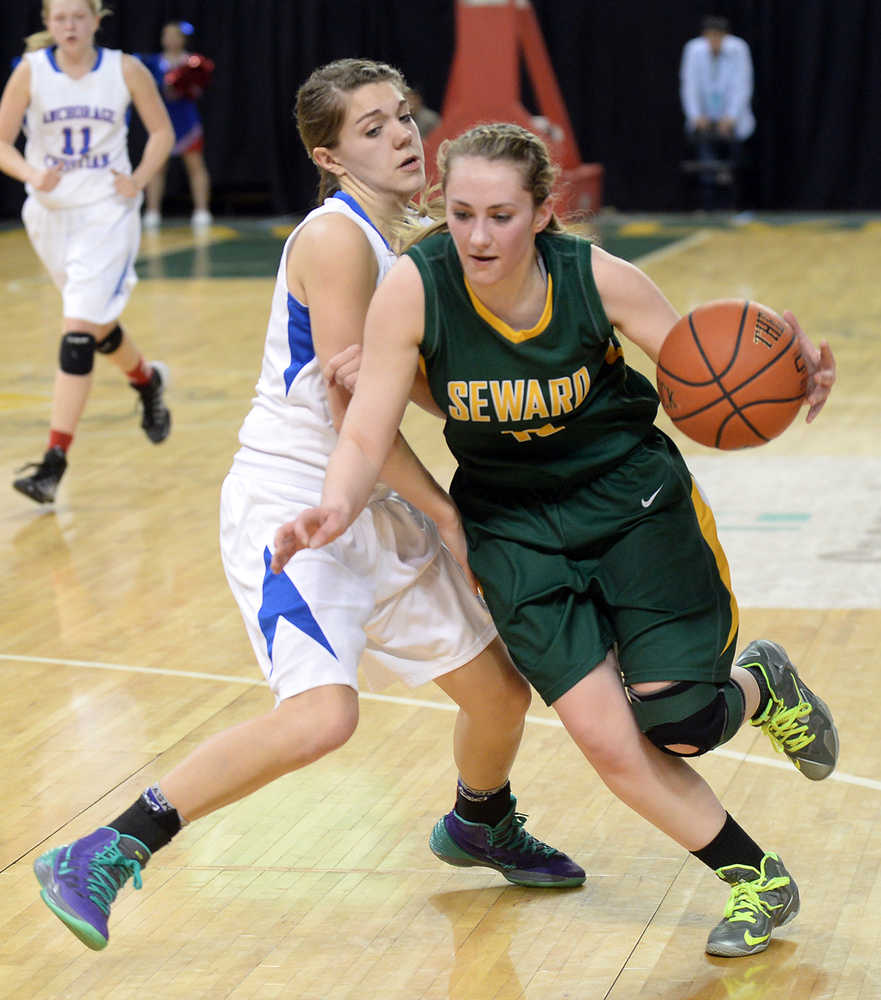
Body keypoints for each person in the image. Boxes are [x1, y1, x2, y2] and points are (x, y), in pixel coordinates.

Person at [31, 61, 584, 953]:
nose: (403, 135)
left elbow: (406, 389)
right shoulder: (336, 241)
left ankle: (480, 822)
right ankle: (109, 845)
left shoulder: (407, 239)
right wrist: (451, 520)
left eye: (403, 116)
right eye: (373, 128)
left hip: (367, 499)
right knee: (323, 716)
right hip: (294, 508)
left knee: (497, 696)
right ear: (330, 156)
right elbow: (351, 410)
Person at [273, 122, 840, 959]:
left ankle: (763, 684)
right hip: (512, 530)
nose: (476, 235)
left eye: (500, 215)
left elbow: (702, 371)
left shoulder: (596, 279)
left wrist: (785, 378)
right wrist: (334, 505)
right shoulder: (414, 288)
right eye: (460, 212)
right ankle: (756, 878)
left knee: (679, 722)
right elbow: (364, 432)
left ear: (542, 212)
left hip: (632, 504)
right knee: (608, 740)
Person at [0, 0, 174, 505]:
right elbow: (3, 143)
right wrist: (33, 174)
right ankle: (146, 380)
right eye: (60, 18)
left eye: (79, 16)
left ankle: (53, 463)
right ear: (47, 23)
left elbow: (162, 132)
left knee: (77, 332)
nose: (70, 26)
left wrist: (138, 180)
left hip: (106, 212)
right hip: (50, 216)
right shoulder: (30, 72)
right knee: (95, 328)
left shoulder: (125, 68)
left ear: (97, 19)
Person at [139, 20, 213, 228]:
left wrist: (186, 86)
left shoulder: (193, 63)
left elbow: (199, 88)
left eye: (175, 35)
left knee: (195, 165)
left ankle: (201, 211)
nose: (170, 40)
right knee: (157, 166)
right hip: (161, 121)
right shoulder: (153, 63)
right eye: (167, 35)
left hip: (187, 122)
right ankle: (152, 212)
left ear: (182, 39)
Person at [679, 15, 755, 211]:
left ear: (725, 36)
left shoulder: (738, 49)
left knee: (733, 165)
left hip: (732, 120)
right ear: (704, 36)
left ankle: (734, 207)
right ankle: (707, 207)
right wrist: (696, 116)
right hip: (704, 120)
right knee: (706, 163)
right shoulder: (694, 50)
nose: (714, 42)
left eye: (718, 37)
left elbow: (742, 84)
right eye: (710, 37)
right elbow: (689, 85)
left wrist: (731, 116)